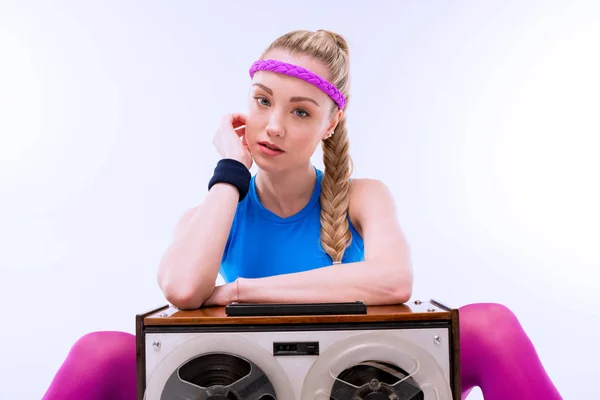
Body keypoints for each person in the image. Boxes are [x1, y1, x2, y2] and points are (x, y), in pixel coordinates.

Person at [42, 29, 563, 400]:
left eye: (300, 111)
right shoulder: (216, 210)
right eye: (262, 101)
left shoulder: (364, 196)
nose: (272, 127)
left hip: (366, 386)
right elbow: (180, 289)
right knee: (98, 352)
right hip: (249, 389)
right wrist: (230, 168)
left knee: (491, 324)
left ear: (332, 122)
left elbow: (393, 280)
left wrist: (244, 291)